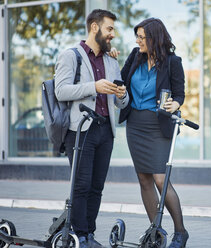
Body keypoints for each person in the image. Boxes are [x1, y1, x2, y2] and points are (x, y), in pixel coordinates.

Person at [54, 9, 129, 248]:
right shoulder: (70, 55)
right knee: (81, 185)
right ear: (94, 28)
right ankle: (79, 236)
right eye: (109, 29)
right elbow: (61, 91)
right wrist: (93, 86)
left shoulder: (111, 60)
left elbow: (120, 102)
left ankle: (89, 235)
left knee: (97, 187)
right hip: (80, 130)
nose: (113, 35)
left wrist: (122, 94)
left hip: (105, 131)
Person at [116, 18, 188, 248]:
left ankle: (180, 232)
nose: (137, 41)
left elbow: (180, 93)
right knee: (144, 178)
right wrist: (111, 60)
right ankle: (156, 231)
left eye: (141, 37)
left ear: (154, 38)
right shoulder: (135, 56)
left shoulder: (172, 62)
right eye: (136, 37)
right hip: (135, 124)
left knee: (160, 178)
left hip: (158, 126)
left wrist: (176, 104)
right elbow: (120, 80)